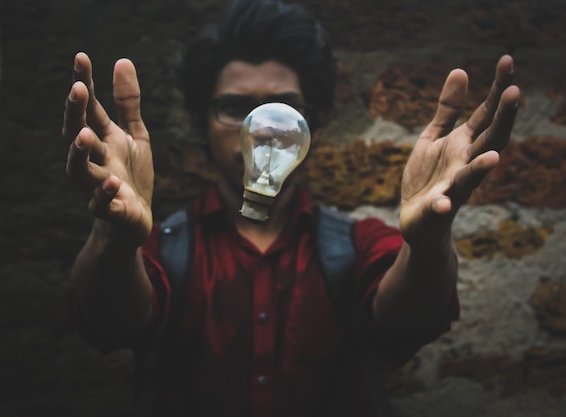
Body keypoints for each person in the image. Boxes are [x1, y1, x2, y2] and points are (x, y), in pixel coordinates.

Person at [62, 0, 520, 416]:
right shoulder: (164, 250)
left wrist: (429, 245)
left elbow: (406, 321)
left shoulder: (355, 246)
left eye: (282, 110)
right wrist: (114, 240)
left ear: (312, 127)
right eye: (235, 108)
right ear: (202, 122)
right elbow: (111, 324)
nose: (260, 128)